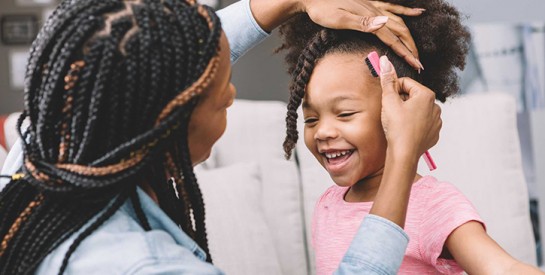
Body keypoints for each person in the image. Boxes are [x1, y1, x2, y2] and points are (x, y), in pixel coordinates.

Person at [0, 0, 440, 274]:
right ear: (171, 124)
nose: (231, 92)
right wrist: (403, 153)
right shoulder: (147, 266)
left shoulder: (43, 155)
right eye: (222, 99)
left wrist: (291, 1)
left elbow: (157, 65)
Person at [278, 0, 545, 274]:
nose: (323, 132)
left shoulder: (432, 204)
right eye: (311, 119)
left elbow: (502, 268)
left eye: (345, 114)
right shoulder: (328, 203)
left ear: (400, 107)